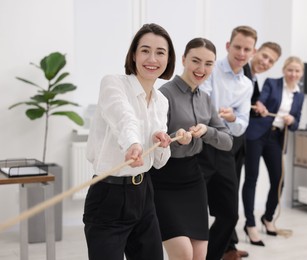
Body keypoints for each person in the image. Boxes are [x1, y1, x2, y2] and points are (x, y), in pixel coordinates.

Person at [83, 23, 176, 260]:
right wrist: (133, 144)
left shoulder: (162, 100)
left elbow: (158, 162)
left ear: (168, 59)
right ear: (133, 55)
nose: (152, 58)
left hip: (143, 193)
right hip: (108, 195)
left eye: (160, 52)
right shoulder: (113, 83)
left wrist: (162, 143)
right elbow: (123, 118)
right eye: (145, 50)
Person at [149, 37, 233, 260]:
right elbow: (152, 141)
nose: (201, 69)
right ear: (184, 59)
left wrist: (207, 132)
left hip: (193, 181)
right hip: (164, 180)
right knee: (184, 254)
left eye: (208, 63)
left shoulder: (206, 99)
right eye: (196, 61)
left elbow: (227, 141)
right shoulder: (164, 94)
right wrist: (175, 138)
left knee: (199, 254)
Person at [199, 25, 257, 260]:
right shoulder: (211, 69)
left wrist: (232, 117)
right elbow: (202, 103)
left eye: (247, 49)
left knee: (230, 214)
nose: (241, 53)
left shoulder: (247, 85)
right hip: (200, 147)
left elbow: (242, 123)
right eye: (237, 47)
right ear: (228, 46)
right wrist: (226, 116)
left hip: (225, 149)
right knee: (196, 211)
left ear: (252, 52)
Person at [242, 56, 305, 242]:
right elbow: (261, 101)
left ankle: (268, 218)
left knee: (279, 181)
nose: (293, 74)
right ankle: (250, 224)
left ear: (301, 74)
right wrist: (260, 106)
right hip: (256, 135)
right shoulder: (272, 83)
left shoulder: (300, 96)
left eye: (297, 71)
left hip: (276, 138)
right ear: (284, 70)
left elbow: (296, 123)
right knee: (251, 178)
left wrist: (292, 120)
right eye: (290, 70)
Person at [227, 42, 282, 249]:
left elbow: (248, 102)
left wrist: (258, 105)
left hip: (240, 138)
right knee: (229, 191)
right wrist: (254, 106)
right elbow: (232, 102)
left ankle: (229, 243)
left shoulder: (253, 78)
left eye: (271, 61)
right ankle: (228, 243)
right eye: (265, 56)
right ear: (256, 52)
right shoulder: (241, 73)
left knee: (232, 190)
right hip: (229, 139)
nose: (266, 62)